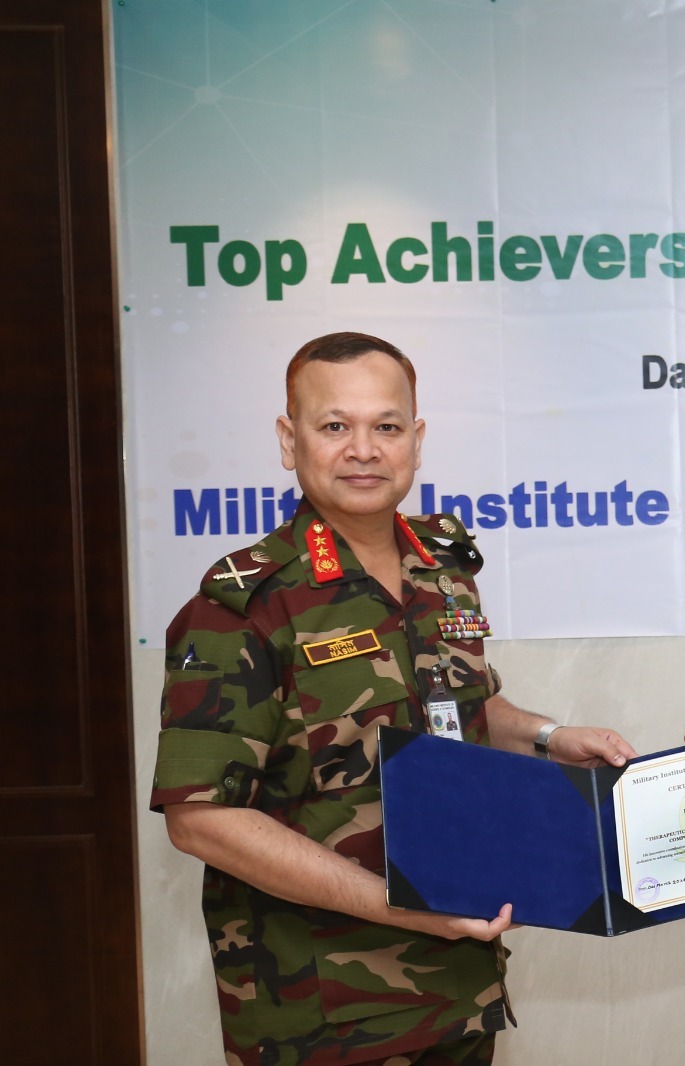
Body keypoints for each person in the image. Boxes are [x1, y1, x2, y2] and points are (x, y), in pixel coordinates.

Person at [151, 332, 637, 1066]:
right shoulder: (244, 607)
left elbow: (457, 709)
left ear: (416, 438)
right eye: (334, 425)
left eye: (386, 426)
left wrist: (546, 737)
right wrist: (402, 905)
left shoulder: (442, 571)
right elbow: (202, 821)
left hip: (459, 989)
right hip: (319, 1010)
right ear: (289, 440)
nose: (363, 450)